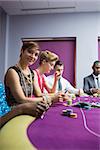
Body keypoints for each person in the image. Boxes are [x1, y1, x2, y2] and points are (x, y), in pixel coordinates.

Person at [0, 42, 59, 128]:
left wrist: (53, 97)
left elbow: (38, 94)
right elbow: (21, 100)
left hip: (25, 110)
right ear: (22, 51)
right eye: (30, 52)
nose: (33, 56)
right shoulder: (12, 72)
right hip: (12, 112)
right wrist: (50, 98)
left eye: (35, 54)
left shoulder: (31, 73)